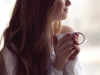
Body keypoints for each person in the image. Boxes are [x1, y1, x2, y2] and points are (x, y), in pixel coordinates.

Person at [0, 0, 82, 75]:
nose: (69, 2)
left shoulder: (65, 34)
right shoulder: (12, 53)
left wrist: (71, 60)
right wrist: (58, 66)